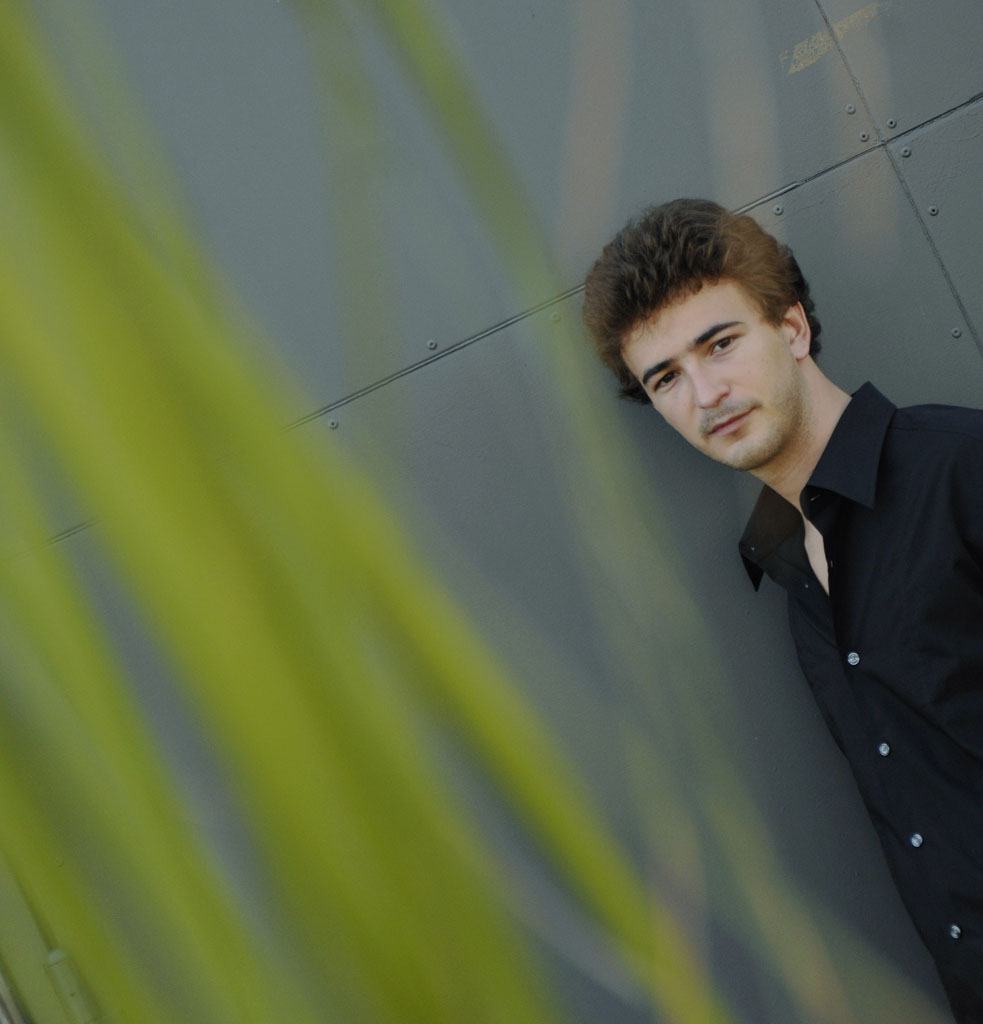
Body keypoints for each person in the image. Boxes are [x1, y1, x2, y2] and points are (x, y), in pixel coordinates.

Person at [582, 198, 983, 1022]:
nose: (703, 393)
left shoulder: (961, 472)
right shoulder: (789, 570)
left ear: (791, 329)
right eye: (665, 378)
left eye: (718, 344)